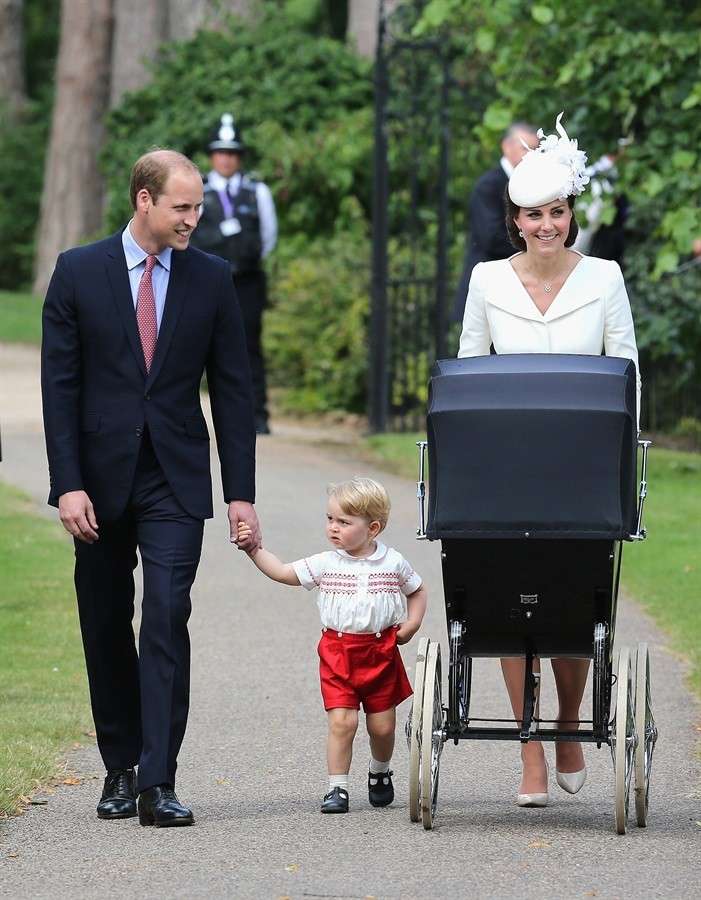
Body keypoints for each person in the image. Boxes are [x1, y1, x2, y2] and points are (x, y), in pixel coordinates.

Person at [41, 149, 261, 828]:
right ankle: (119, 766)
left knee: (166, 615)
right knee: (106, 624)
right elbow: (61, 389)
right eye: (183, 207)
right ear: (144, 200)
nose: (195, 218)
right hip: (98, 485)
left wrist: (240, 493)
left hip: (175, 477)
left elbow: (231, 390)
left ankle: (158, 781)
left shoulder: (211, 279)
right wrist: (67, 486)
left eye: (196, 207)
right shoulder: (79, 272)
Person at [457, 112, 640, 807]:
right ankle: (528, 747)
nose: (545, 226)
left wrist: (623, 460)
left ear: (570, 214)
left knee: (571, 606)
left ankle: (566, 723)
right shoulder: (486, 281)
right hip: (502, 471)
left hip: (582, 469)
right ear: (515, 219)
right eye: (532, 215)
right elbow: (469, 371)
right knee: (506, 609)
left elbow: (624, 371)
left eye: (556, 213)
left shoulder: (604, 276)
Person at [237, 476, 427, 814]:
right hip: (338, 653)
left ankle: (380, 771)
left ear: (373, 528)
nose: (333, 528)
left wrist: (411, 625)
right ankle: (336, 787)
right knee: (343, 722)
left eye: (344, 522)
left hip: (380, 652)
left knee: (382, 727)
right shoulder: (326, 563)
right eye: (330, 519)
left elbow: (417, 591)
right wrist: (254, 550)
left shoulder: (392, 563)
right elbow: (282, 572)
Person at [190, 113, 277, 435]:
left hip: (246, 282)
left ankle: (257, 417)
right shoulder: (199, 191)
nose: (226, 159)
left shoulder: (257, 192)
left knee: (249, 348)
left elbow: (268, 237)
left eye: (232, 153)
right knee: (197, 347)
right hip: (205, 282)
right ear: (212, 156)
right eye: (221, 152)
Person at [453, 121, 539, 322]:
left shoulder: (532, 185)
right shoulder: (489, 185)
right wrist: (536, 246)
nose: (531, 155)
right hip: (489, 290)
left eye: (535, 149)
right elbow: (491, 238)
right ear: (506, 146)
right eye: (525, 148)